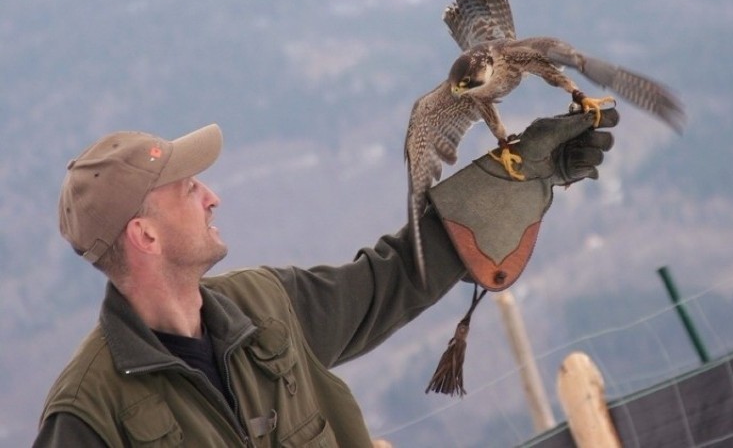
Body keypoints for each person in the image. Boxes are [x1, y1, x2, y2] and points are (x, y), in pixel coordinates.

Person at [33, 108, 617, 447]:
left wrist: (513, 180)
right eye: (189, 191)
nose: (213, 197)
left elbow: (392, 280)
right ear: (146, 236)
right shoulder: (87, 413)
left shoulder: (265, 307)